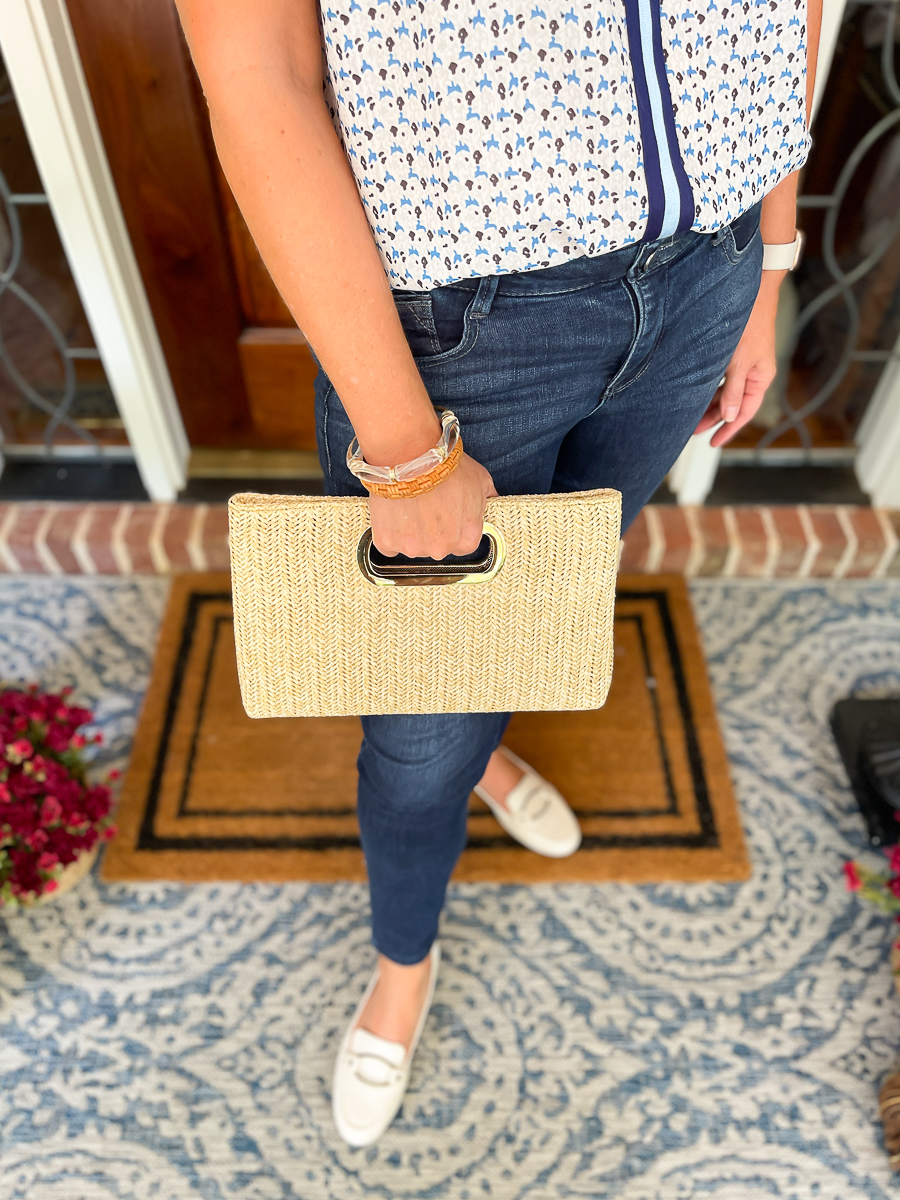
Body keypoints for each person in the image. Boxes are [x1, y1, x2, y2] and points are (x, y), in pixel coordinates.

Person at [175, 0, 822, 1146]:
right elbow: (259, 73)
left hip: (709, 275)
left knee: (552, 594)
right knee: (421, 730)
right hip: (467, 327)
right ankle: (402, 963)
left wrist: (770, 260)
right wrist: (406, 452)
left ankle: (488, 743)